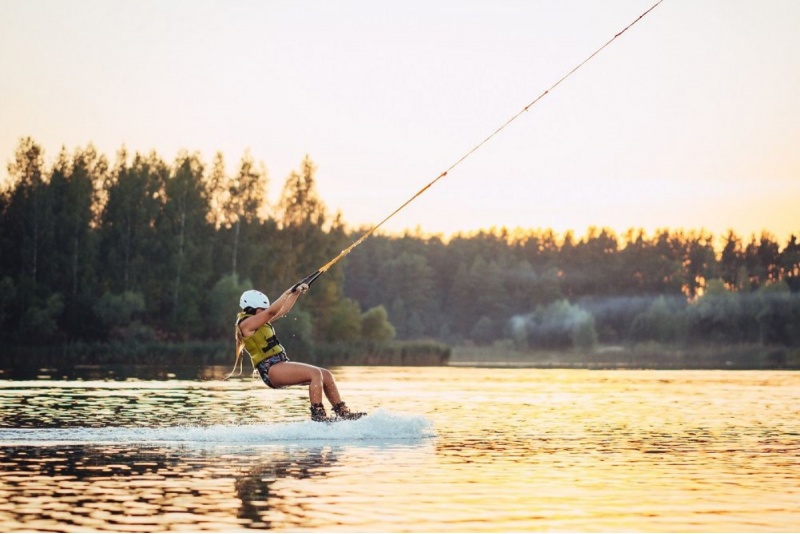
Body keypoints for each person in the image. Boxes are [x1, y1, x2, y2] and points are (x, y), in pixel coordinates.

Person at [228, 284, 365, 422]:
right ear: (250, 309)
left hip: (279, 365)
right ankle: (319, 416)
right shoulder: (245, 325)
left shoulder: (259, 321)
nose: (264, 312)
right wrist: (287, 291)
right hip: (270, 370)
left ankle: (343, 414)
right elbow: (271, 312)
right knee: (315, 374)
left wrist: (296, 292)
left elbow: (282, 310)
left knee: (326, 375)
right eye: (261, 309)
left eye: (264, 309)